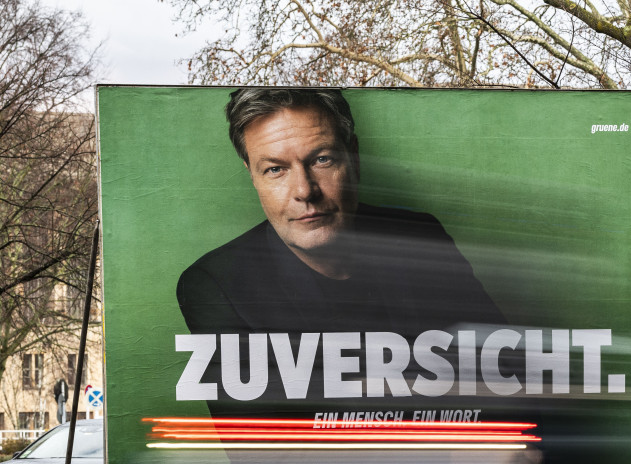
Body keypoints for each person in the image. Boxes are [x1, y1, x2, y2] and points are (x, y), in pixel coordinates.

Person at [177, 87, 503, 339]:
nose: (305, 191)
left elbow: (507, 375)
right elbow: (270, 425)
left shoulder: (422, 237)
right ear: (252, 175)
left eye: (322, 160)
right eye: (276, 169)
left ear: (354, 158)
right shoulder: (214, 287)